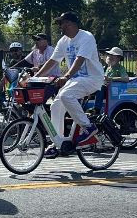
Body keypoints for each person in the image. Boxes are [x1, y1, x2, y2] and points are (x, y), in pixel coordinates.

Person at [33, 12, 105, 158]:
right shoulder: (64, 41)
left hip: (92, 79)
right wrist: (36, 77)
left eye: (62, 23)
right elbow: (53, 61)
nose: (60, 26)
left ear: (70, 24)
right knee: (55, 106)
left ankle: (88, 127)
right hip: (75, 80)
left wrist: (66, 76)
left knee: (66, 95)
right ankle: (57, 142)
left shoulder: (87, 37)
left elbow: (80, 59)